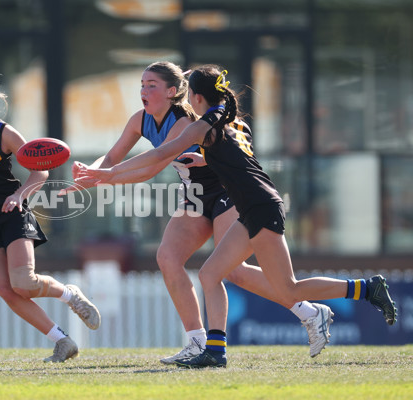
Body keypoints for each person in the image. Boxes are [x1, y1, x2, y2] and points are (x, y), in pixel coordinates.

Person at [77, 64, 398, 368]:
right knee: (211, 272)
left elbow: (158, 157)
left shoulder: (202, 124)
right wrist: (97, 172)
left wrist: (107, 175)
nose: (144, 90)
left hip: (252, 204)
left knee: (278, 286)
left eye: (152, 85)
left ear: (190, 95)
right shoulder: (218, 118)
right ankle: (211, 349)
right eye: (142, 85)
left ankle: (359, 291)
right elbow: (157, 153)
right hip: (248, 203)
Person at [0, 68, 101, 363]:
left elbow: (41, 169)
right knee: (7, 291)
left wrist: (18, 195)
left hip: (12, 214)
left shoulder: (4, 132)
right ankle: (63, 342)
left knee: (23, 282)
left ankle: (70, 295)